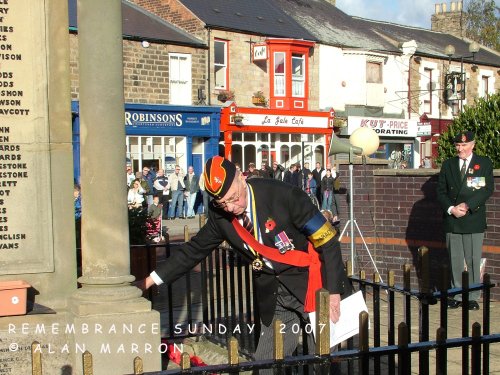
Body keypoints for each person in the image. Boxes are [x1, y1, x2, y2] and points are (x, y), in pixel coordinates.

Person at [137, 156, 351, 369]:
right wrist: (149, 281)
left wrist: (333, 292)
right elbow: (194, 250)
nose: (230, 208)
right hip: (275, 293)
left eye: (233, 198)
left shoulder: (284, 196)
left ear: (241, 177)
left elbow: (328, 240)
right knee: (264, 363)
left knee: (320, 361)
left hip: (313, 285)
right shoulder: (220, 215)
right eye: (222, 203)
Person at [436, 131, 494, 311]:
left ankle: (473, 295)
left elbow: (486, 190)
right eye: (458, 146)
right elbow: (441, 191)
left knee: (472, 259)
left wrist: (467, 206)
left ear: (472, 145)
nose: (460, 149)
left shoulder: (483, 163)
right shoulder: (448, 164)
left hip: (472, 218)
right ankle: (456, 293)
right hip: (453, 219)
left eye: (464, 145)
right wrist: (451, 209)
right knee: (455, 259)